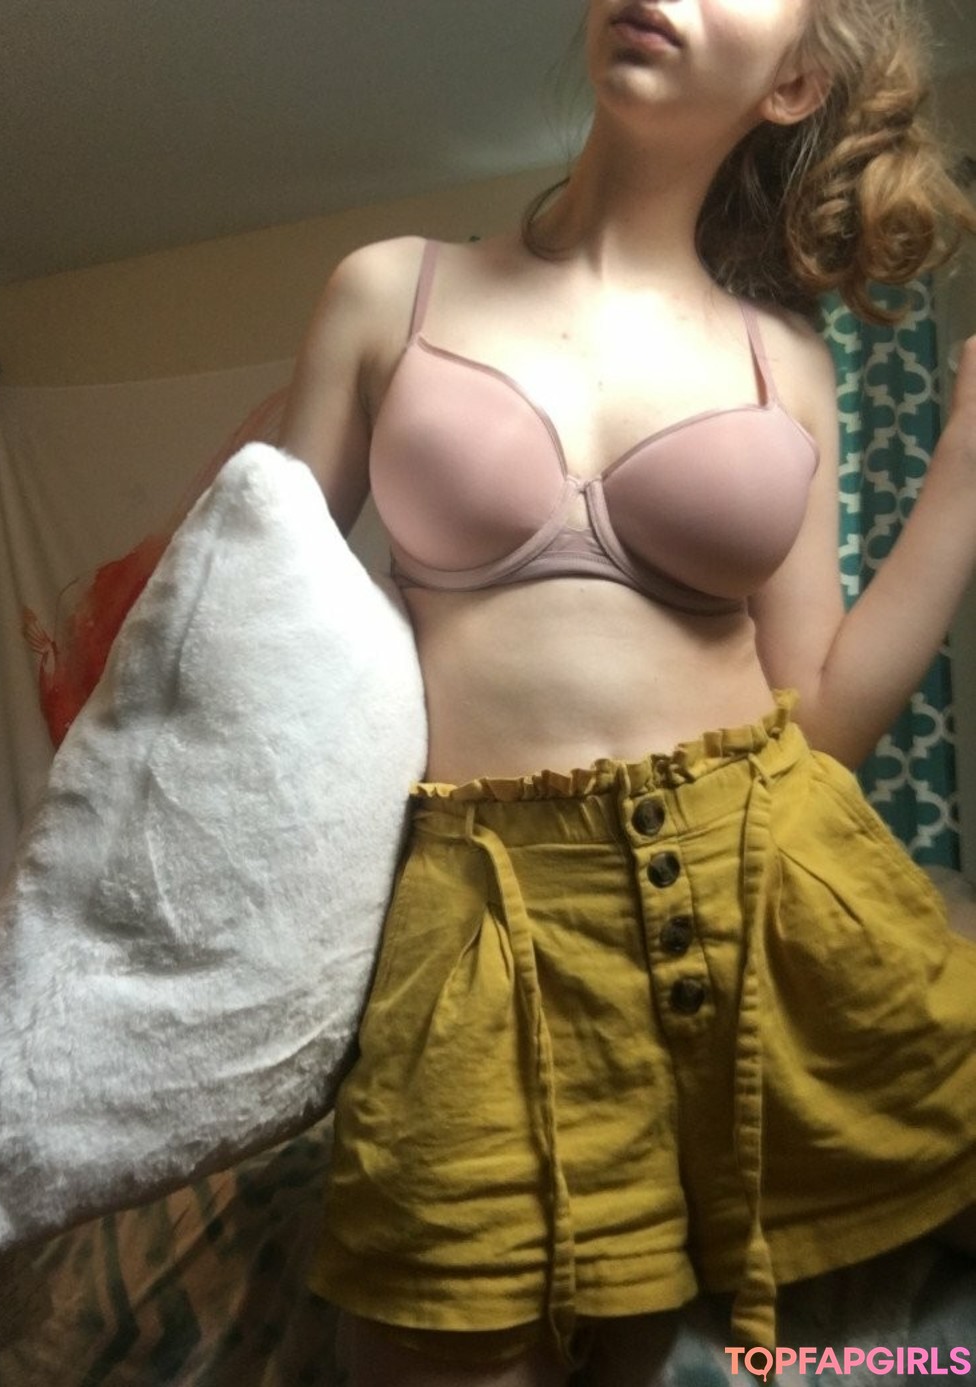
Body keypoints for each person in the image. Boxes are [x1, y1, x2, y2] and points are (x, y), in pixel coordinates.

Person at [277, 1, 976, 1382]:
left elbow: (820, 719)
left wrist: (968, 469)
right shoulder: (387, 291)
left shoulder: (786, 360)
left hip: (767, 875)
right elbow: (253, 622)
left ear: (793, 83)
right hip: (483, 911)